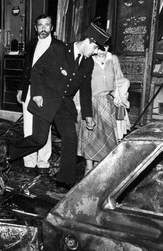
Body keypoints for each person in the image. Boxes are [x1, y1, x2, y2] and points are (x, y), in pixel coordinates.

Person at [8, 23, 111, 189]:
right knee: (39, 140)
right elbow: (37, 70)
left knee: (71, 138)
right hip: (46, 100)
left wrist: (88, 115)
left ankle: (65, 180)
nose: (95, 53)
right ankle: (9, 153)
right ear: (89, 42)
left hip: (64, 104)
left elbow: (85, 89)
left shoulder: (87, 63)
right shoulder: (59, 49)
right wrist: (37, 94)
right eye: (95, 49)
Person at [15, 14, 62, 174]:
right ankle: (29, 159)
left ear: (52, 27)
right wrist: (21, 88)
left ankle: (43, 159)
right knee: (28, 126)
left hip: (47, 93)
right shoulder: (31, 44)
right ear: (35, 28)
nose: (43, 28)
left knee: (44, 127)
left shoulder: (58, 46)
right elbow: (26, 68)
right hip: (29, 90)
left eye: (47, 25)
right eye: (40, 25)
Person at [77, 44, 130, 175]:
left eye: (105, 47)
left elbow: (119, 78)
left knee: (105, 138)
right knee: (90, 135)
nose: (102, 51)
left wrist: (120, 96)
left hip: (107, 102)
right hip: (90, 101)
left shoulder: (113, 59)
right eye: (99, 48)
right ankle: (88, 167)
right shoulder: (88, 60)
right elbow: (81, 84)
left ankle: (98, 167)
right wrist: (78, 105)